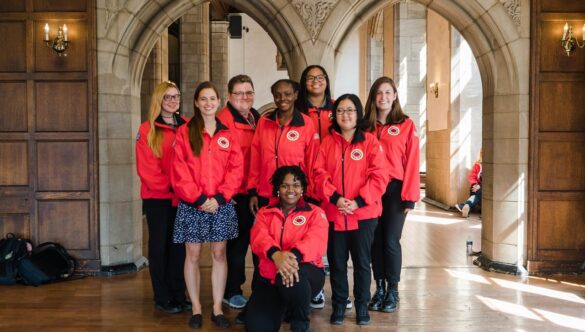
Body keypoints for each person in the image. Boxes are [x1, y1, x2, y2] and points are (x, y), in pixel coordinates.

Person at [171, 81, 244, 329]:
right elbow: (179, 170)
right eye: (203, 98)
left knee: (219, 253)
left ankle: (216, 307)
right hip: (193, 204)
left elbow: (236, 169)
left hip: (220, 203)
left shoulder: (227, 133)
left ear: (219, 101)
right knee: (192, 255)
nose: (208, 103)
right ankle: (196, 308)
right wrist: (200, 199)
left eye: (212, 98)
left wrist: (221, 198)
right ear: (196, 102)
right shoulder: (185, 132)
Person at [313, 94, 389, 326]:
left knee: (362, 264)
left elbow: (380, 176)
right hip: (335, 214)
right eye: (340, 111)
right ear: (334, 116)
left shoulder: (369, 142)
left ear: (358, 113)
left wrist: (358, 201)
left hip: (363, 214)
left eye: (350, 110)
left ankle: (361, 308)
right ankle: (338, 307)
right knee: (336, 264)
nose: (345, 115)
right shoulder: (327, 143)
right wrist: (336, 198)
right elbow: (318, 174)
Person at [245, 166, 328, 332]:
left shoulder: (315, 213)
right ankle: (284, 308)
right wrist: (276, 255)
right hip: (269, 279)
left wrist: (290, 257)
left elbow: (316, 241)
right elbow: (258, 238)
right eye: (285, 185)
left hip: (306, 274)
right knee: (256, 328)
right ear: (277, 189)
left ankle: (300, 324)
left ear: (303, 188)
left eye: (296, 185)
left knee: (293, 276)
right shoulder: (264, 213)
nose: (291, 190)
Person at [364, 76, 420, 313]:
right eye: (379, 93)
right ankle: (379, 289)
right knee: (374, 241)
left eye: (388, 92)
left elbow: (412, 161)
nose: (383, 97)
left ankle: (393, 290)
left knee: (390, 240)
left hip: (396, 189)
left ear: (395, 96)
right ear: (373, 97)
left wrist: (410, 195)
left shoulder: (406, 124)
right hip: (370, 190)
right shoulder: (365, 126)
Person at [135, 81, 189, 314]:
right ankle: (162, 296)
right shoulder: (147, 129)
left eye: (176, 96)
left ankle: (179, 292)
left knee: (179, 248)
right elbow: (148, 170)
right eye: (168, 97)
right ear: (159, 100)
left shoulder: (187, 125)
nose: (173, 101)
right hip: (158, 198)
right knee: (159, 247)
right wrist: (176, 187)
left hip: (184, 198)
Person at [296, 64, 338, 310]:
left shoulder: (337, 107)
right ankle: (313, 290)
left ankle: (339, 292)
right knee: (308, 239)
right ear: (304, 82)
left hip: (333, 183)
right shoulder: (298, 111)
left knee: (334, 242)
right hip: (307, 184)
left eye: (320, 77)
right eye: (310, 78)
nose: (315, 81)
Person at [217, 74, 261, 309]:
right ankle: (231, 290)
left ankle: (259, 289)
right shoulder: (223, 121)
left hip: (254, 191)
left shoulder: (257, 118)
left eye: (249, 92)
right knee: (236, 246)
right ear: (229, 96)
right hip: (235, 195)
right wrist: (228, 194)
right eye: (239, 93)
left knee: (257, 243)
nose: (245, 97)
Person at [247, 79, 319, 215]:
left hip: (295, 193)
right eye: (277, 95)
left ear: (296, 95)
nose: (282, 99)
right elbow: (255, 159)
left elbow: (312, 161)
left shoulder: (306, 123)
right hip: (266, 192)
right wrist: (252, 191)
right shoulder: (264, 122)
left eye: (287, 94)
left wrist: (310, 191)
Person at [455, 149, 482, 218]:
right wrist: (475, 185)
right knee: (476, 192)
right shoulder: (478, 165)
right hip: (477, 187)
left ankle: (465, 206)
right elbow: (472, 178)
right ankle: (466, 206)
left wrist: (479, 186)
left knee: (477, 193)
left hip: (485, 188)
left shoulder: (493, 165)